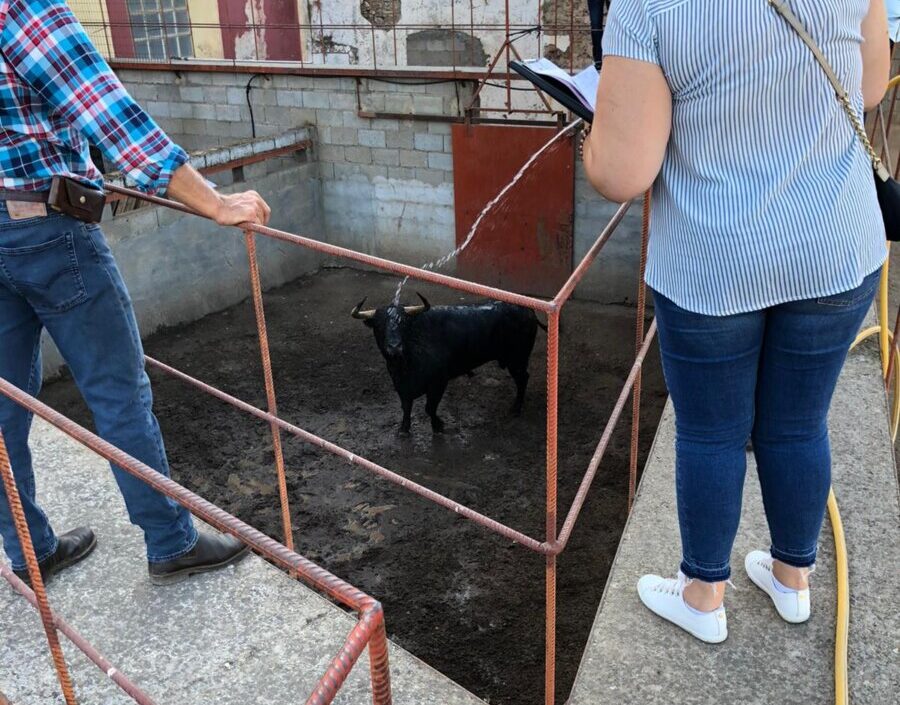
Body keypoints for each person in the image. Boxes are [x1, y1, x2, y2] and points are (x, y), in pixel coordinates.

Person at [582, 0, 889, 643]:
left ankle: (703, 595)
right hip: (834, 246)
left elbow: (622, 172)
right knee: (799, 423)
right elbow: (865, 88)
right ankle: (792, 580)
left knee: (712, 433)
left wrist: (598, 126)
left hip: (714, 260)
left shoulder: (646, 7)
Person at [0, 0, 271, 586]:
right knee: (117, 393)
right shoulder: (20, 8)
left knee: (1, 404)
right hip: (46, 232)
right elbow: (114, 118)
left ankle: (28, 550)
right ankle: (170, 541)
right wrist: (218, 204)